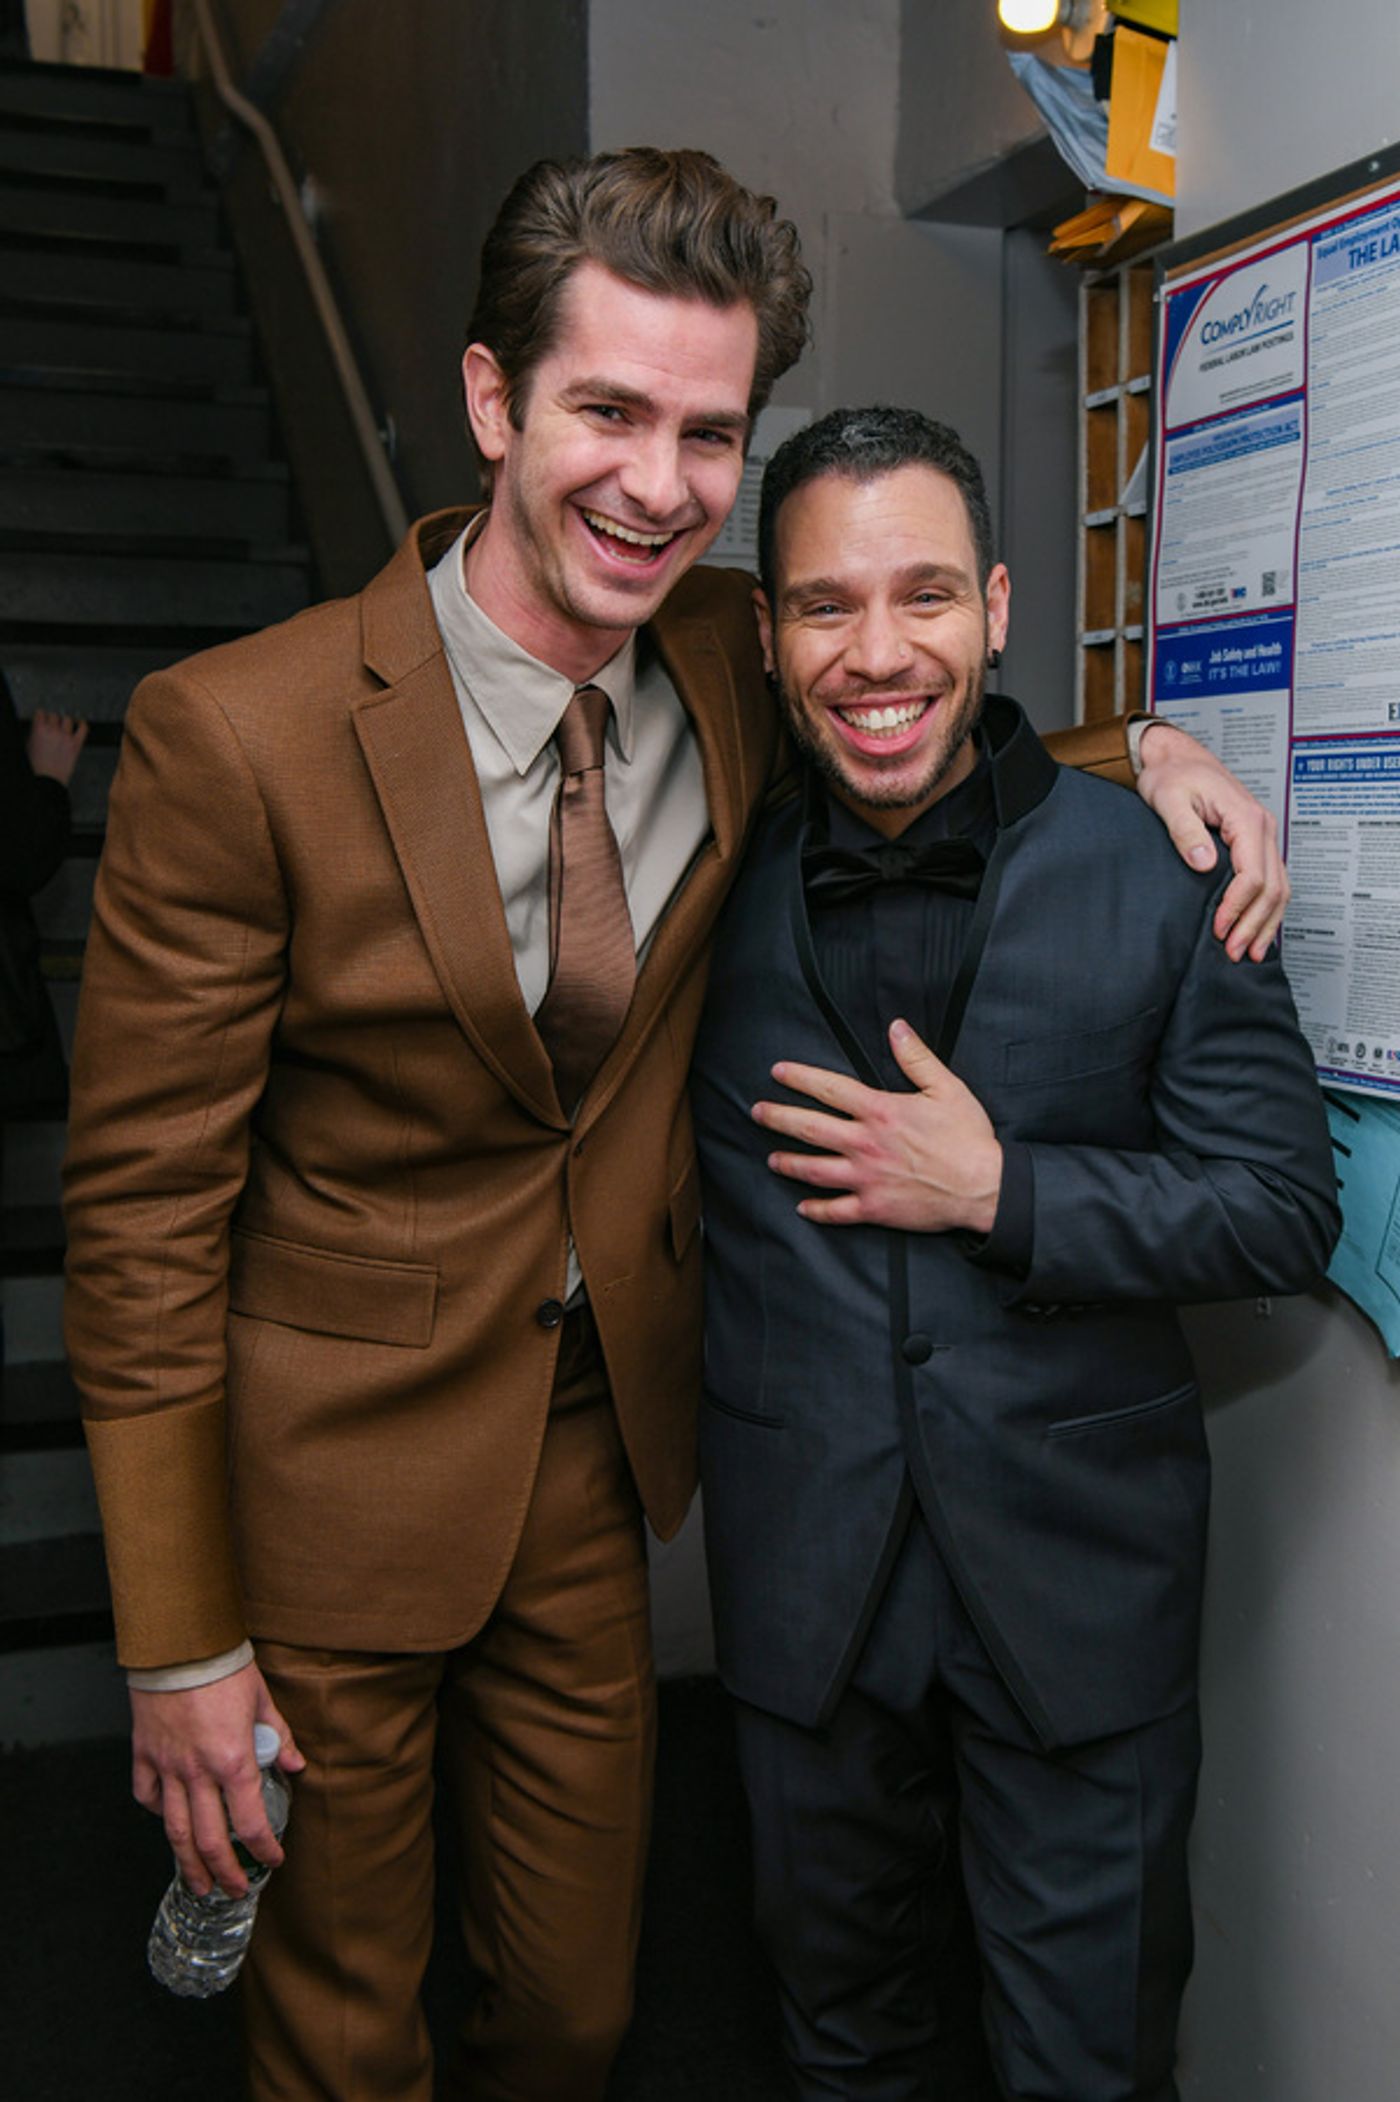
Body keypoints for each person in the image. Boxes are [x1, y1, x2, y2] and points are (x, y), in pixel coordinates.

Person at [64, 151, 1288, 2102]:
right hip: (325, 1481)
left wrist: (1144, 746)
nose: (657, 482)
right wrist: (176, 1637)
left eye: (708, 433)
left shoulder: (723, 649)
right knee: (345, 2027)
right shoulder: (242, 734)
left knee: (578, 2011)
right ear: (493, 401)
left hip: (588, 1467)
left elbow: (904, 700)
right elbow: (138, 1224)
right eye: (610, 413)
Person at [691, 406, 1341, 2102]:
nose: (877, 651)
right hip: (805, 1595)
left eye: (924, 595)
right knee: (841, 2047)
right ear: (766, 635)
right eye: (825, 605)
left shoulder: (1170, 871)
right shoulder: (694, 876)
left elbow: (1283, 1206)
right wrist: (1141, 730)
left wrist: (1006, 1191)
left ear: (994, 607)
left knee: (1088, 2061)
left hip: (1078, 1591)